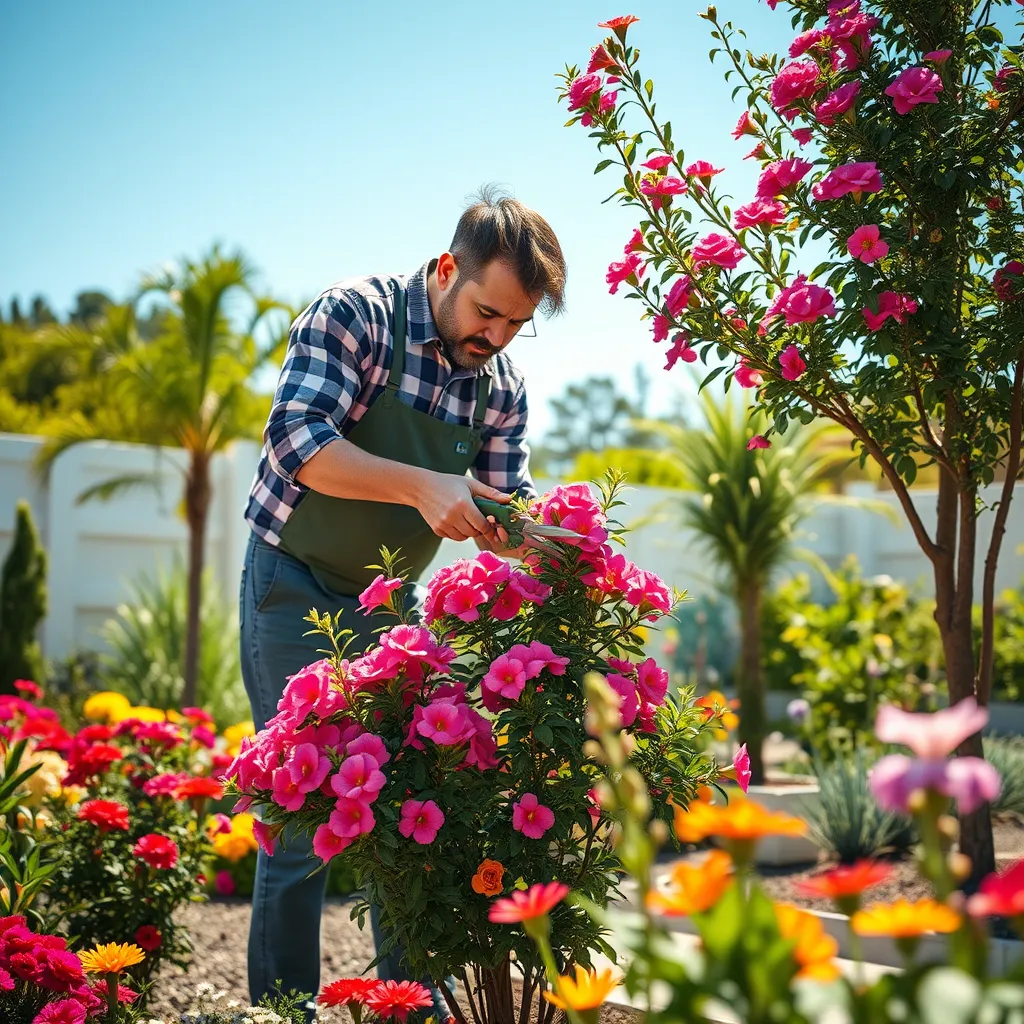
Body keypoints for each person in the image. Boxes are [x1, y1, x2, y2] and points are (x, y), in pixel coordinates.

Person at [239, 185, 567, 1020]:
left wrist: (558, 543)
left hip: (391, 610)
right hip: (292, 584)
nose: (493, 339)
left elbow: (502, 505)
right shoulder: (356, 316)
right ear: (448, 268)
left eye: (514, 326)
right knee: (301, 813)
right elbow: (298, 444)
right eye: (487, 313)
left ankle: (402, 1005)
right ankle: (284, 1010)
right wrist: (423, 486)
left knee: (404, 804)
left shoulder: (501, 385)